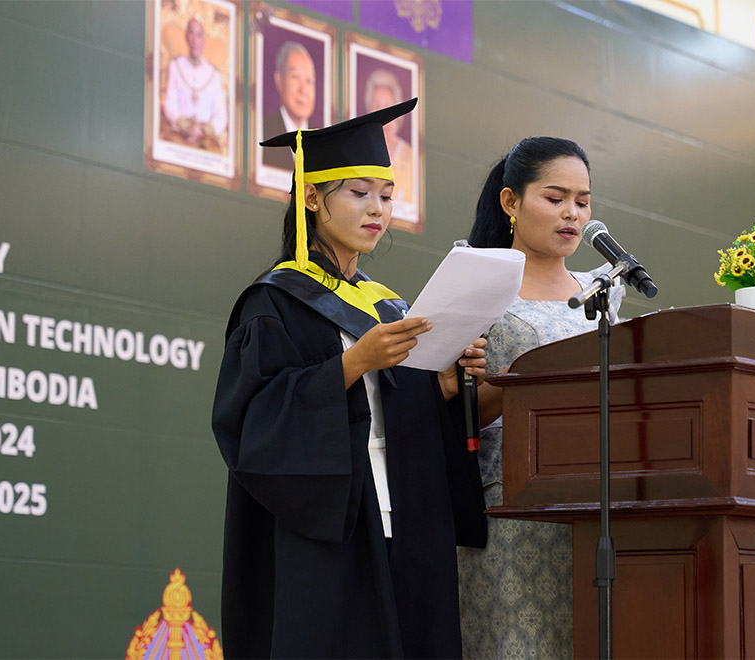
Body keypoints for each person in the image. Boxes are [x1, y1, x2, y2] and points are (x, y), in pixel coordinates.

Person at [211, 97, 488, 659]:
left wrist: (443, 386)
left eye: (386, 195)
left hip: (406, 520)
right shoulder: (274, 303)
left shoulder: (387, 305)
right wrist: (352, 363)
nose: (376, 210)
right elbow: (252, 422)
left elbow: (399, 414)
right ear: (313, 197)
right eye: (359, 193)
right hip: (332, 525)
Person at [457, 137, 624, 659]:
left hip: (596, 497)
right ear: (511, 202)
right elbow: (450, 408)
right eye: (555, 199)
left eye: (582, 201)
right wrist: (520, 382)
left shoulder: (603, 289)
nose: (572, 213)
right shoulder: (474, 280)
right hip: (511, 502)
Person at [162, 16, 228, 149]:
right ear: (186, 37)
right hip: (179, 134)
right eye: (191, 33)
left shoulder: (214, 74)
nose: (195, 40)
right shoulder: (176, 65)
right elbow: (169, 103)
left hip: (205, 140)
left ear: (204, 39)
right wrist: (186, 126)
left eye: (199, 35)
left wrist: (203, 130)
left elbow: (221, 115)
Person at [262, 41, 316, 171]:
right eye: (295, 77)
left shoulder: (322, 142)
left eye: (309, 81)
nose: (303, 90)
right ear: (279, 80)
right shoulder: (263, 130)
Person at [364, 69, 413, 207]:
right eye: (377, 106)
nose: (383, 114)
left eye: (388, 106)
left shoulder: (412, 158)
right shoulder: (360, 153)